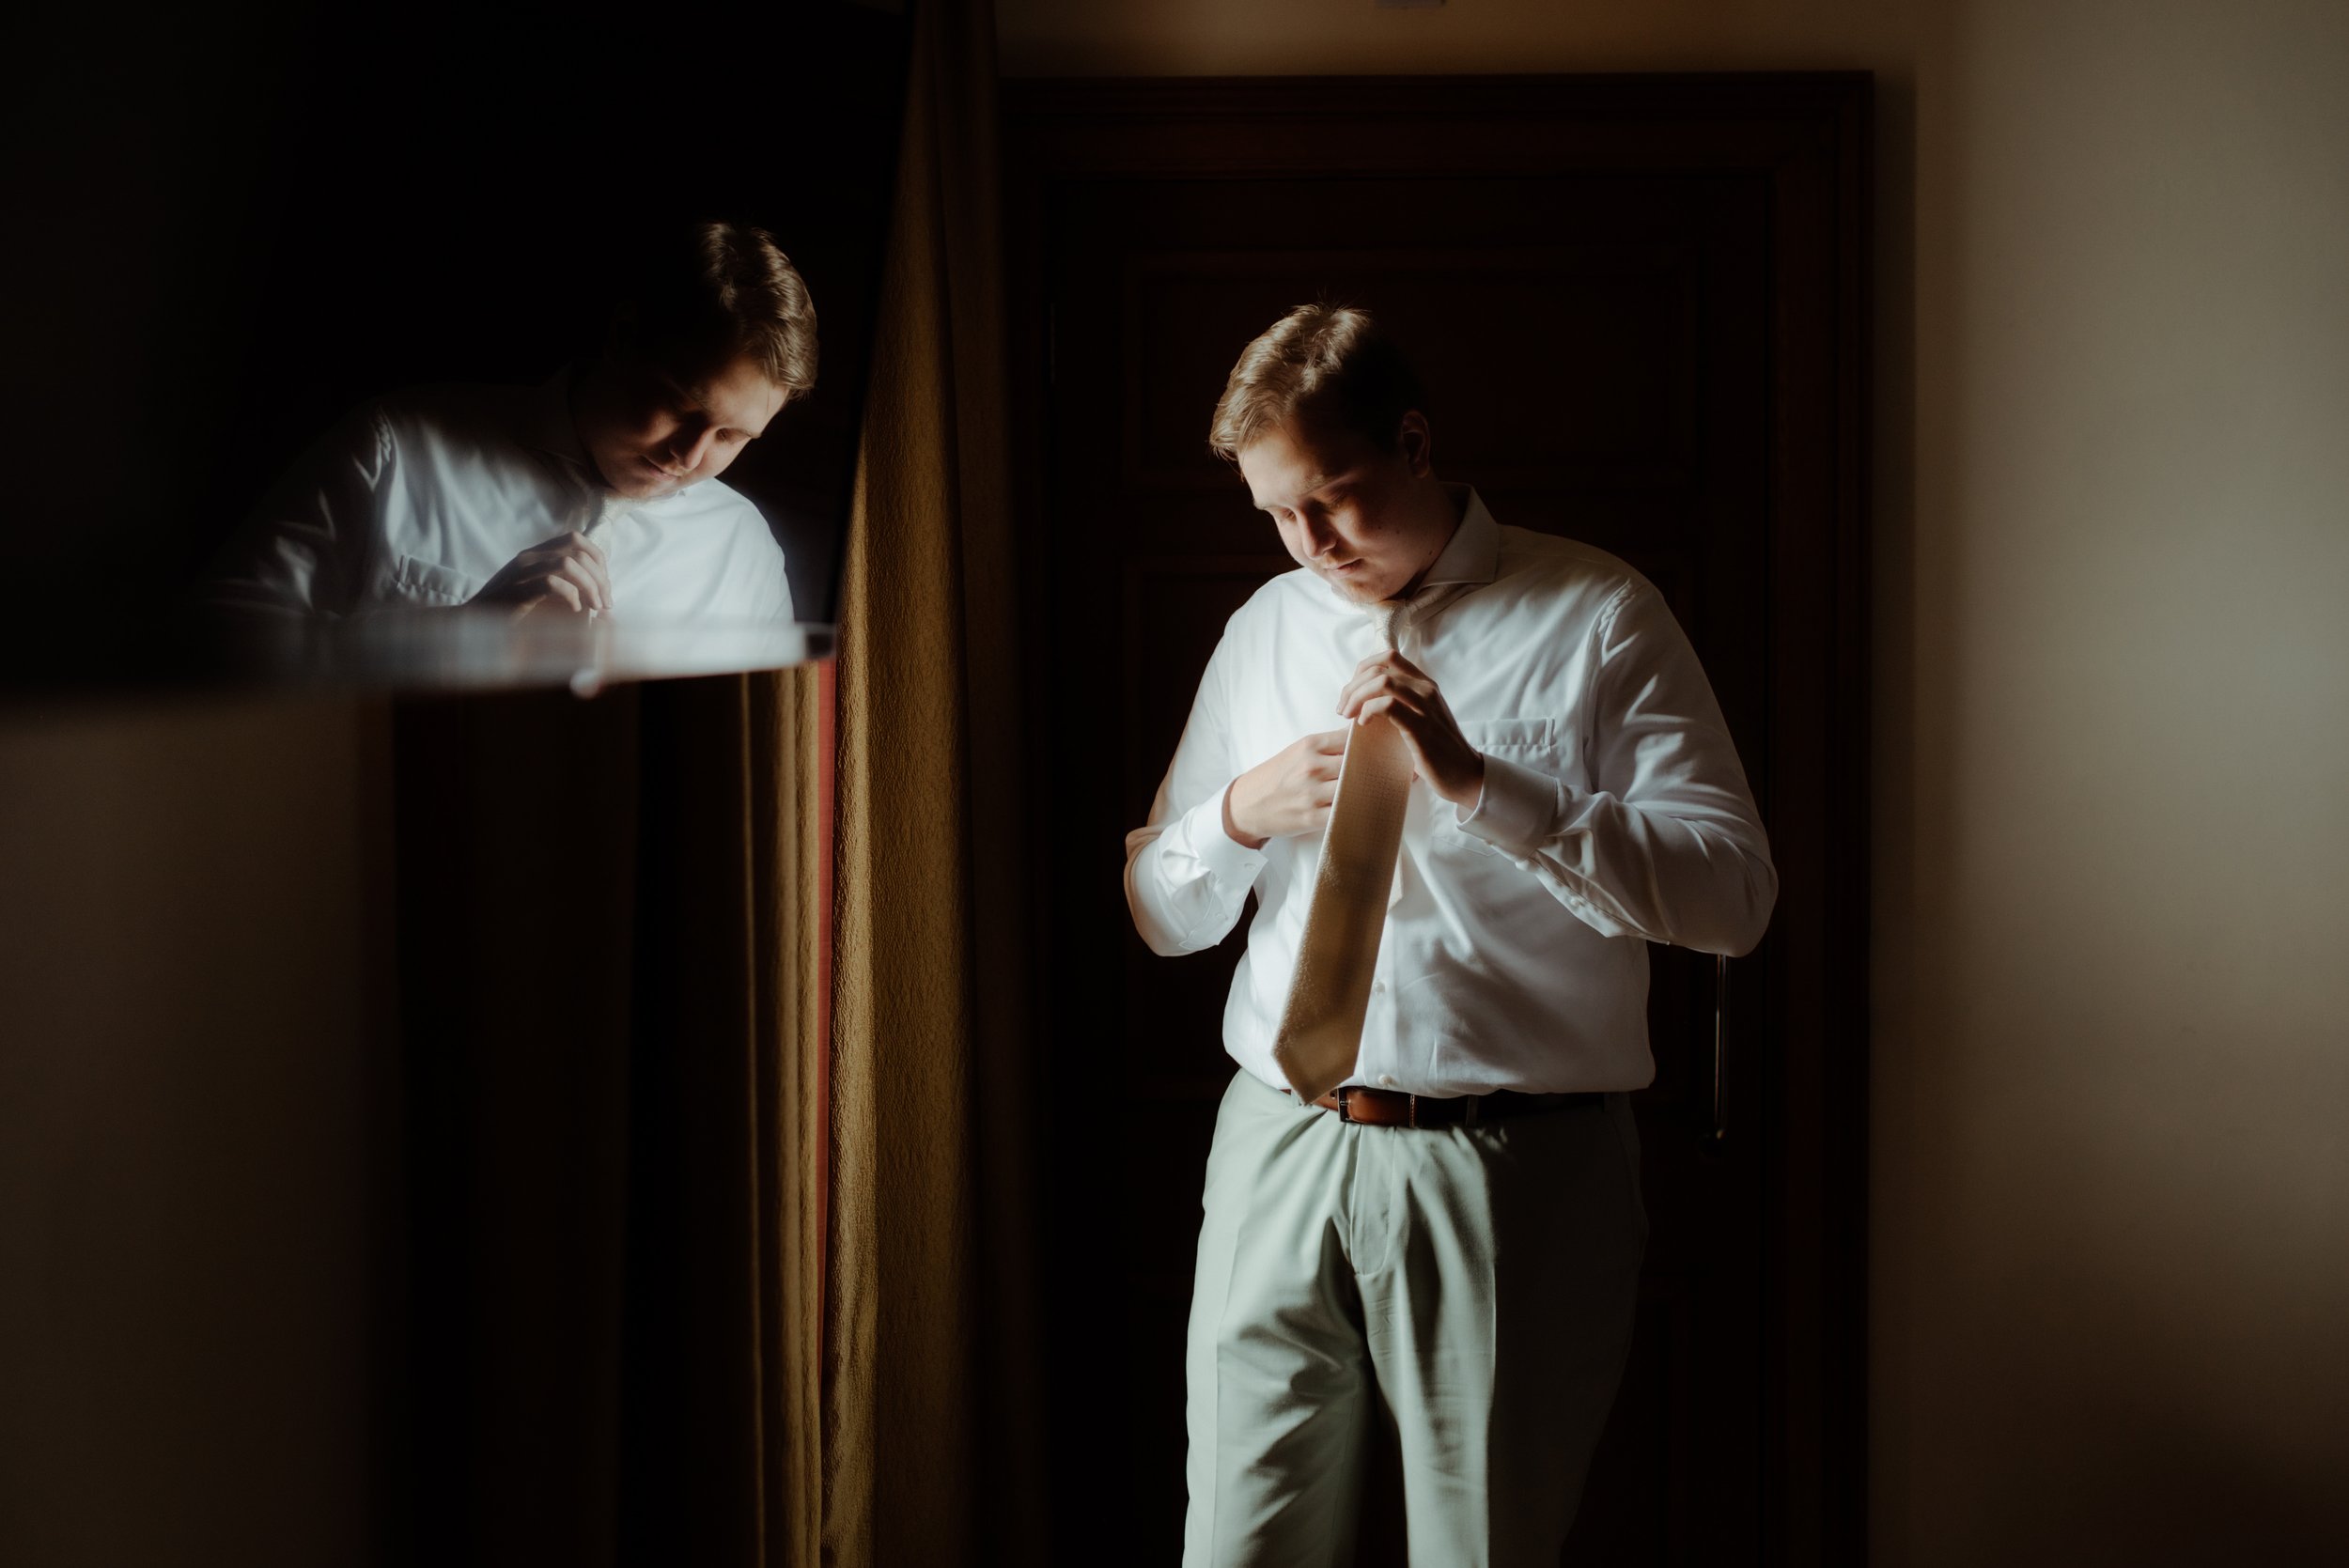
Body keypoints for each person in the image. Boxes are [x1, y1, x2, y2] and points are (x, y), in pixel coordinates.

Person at [1124, 304, 1778, 1567]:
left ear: (1415, 444)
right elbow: (1158, 911)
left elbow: (1735, 899)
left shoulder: (1597, 614)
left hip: (1511, 1170)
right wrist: (1239, 812)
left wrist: (1486, 786)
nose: (1310, 544)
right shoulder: (1264, 628)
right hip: (1276, 1145)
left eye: (1333, 497)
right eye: (1276, 513)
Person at [206, 220, 817, 622]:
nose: (691, 455)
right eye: (683, 406)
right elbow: (210, 651)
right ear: (624, 336)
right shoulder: (396, 449)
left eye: (731, 436)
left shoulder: (746, 556)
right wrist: (456, 636)